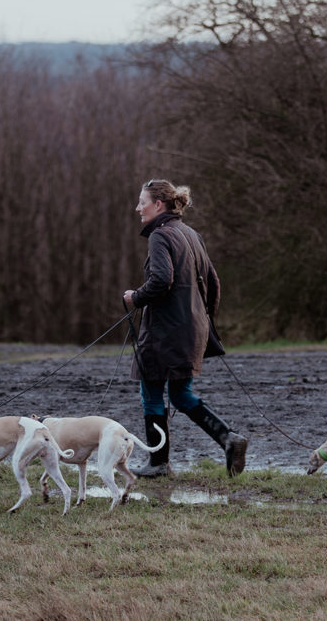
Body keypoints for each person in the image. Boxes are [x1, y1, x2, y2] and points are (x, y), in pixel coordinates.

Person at [122, 179, 247, 477]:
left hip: (164, 334)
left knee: (151, 393)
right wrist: (201, 321)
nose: (138, 207)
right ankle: (229, 438)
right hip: (192, 331)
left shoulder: (160, 236)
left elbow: (161, 280)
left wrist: (135, 297)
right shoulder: (192, 234)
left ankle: (158, 463)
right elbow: (214, 284)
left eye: (142, 201)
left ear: (158, 205)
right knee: (180, 395)